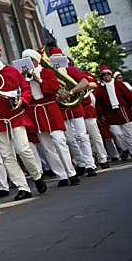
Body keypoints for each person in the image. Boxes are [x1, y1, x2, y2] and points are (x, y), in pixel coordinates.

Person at [0, 41, 46, 200]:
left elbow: (25, 88)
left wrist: (22, 100)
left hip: (14, 116)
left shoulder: (10, 71)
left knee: (23, 149)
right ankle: (22, 187)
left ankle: (37, 176)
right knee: (6, 155)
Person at [21, 49, 78, 187]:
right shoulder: (23, 76)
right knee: (47, 147)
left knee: (59, 141)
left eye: (30, 60)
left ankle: (71, 173)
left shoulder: (47, 72)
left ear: (36, 60)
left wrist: (38, 80)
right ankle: (61, 176)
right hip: (36, 112)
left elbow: (53, 87)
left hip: (50, 109)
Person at [92, 64, 132, 161]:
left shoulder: (119, 84)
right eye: (104, 75)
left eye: (108, 74)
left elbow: (129, 96)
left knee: (130, 132)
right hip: (110, 114)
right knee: (117, 134)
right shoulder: (100, 88)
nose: (106, 76)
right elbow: (99, 103)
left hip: (124, 111)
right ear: (101, 77)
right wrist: (101, 115)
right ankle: (125, 149)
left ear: (111, 75)